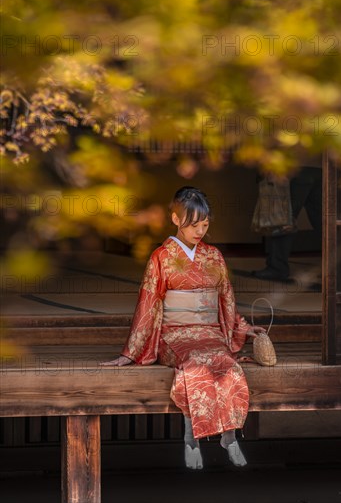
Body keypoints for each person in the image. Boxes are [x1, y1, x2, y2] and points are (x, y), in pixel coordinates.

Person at [100, 186, 265, 469]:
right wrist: (131, 352)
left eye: (205, 224)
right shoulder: (161, 257)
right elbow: (148, 303)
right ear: (176, 219)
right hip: (175, 335)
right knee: (195, 367)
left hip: (210, 333)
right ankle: (191, 439)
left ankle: (229, 436)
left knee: (228, 366)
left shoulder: (213, 256)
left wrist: (243, 327)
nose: (200, 231)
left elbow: (226, 298)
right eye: (193, 224)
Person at [253, 165, 322, 283]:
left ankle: (277, 267)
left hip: (292, 167)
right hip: (321, 166)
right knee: (324, 219)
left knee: (282, 219)